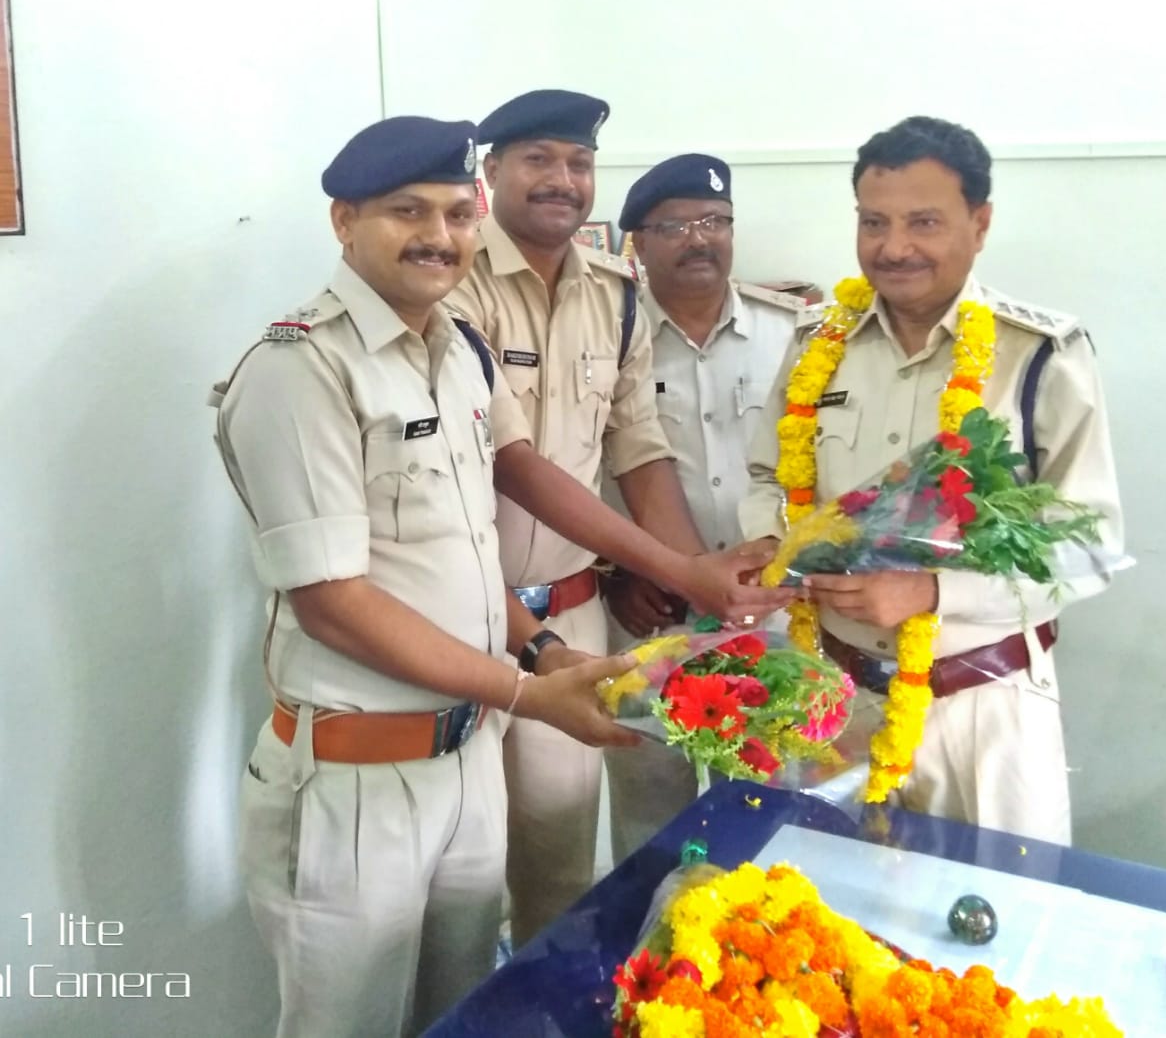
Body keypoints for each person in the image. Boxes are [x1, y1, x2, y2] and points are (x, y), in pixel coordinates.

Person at [209, 115, 642, 1038]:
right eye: (407, 211)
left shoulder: (460, 352)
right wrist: (527, 694)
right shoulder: (303, 368)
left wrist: (545, 649)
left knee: (463, 1018)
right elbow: (335, 605)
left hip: (467, 761)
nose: (439, 236)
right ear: (344, 221)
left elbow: (466, 553)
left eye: (456, 213)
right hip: (356, 785)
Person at [448, 90, 789, 946]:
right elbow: (511, 461)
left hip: (573, 621)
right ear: (492, 172)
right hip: (462, 617)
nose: (562, 180)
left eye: (579, 162)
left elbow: (639, 452)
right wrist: (682, 571)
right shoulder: (453, 281)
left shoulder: (617, 293)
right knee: (460, 883)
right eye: (538, 160)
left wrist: (709, 608)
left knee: (560, 869)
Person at [740, 115, 1125, 845]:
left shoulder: (1040, 355)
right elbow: (766, 474)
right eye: (873, 222)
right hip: (836, 697)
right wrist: (772, 543)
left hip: (981, 708)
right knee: (829, 902)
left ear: (980, 224)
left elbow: (1091, 545)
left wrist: (933, 592)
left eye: (924, 222)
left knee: (999, 904)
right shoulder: (818, 345)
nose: (894, 248)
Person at [601, 153, 802, 862]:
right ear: (638, 243)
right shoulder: (608, 339)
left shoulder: (795, 334)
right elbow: (574, 466)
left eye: (715, 221)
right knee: (648, 825)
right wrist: (610, 573)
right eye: (675, 226)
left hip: (769, 616)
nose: (699, 239)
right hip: (649, 617)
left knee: (767, 819)